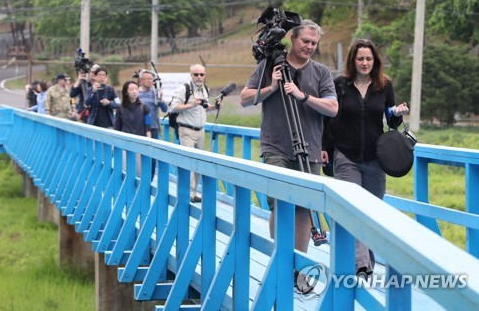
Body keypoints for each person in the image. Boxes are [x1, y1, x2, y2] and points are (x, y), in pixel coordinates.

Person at [240, 19, 338, 254]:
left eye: (314, 43)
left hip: (310, 148)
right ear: (292, 39)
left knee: (305, 208)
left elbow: (333, 108)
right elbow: (244, 98)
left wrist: (302, 96)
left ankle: (299, 265)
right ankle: (280, 258)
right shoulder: (268, 65)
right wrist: (271, 88)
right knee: (280, 204)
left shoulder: (321, 72)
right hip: (276, 147)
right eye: (305, 41)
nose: (310, 46)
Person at [322, 39, 409, 278]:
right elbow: (329, 119)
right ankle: (363, 267)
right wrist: (325, 148)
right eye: (360, 58)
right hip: (345, 155)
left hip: (375, 158)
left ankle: (363, 265)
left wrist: (398, 114)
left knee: (370, 214)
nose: (364, 63)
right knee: (354, 210)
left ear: (375, 61)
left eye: (368, 59)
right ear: (353, 60)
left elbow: (390, 120)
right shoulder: (340, 84)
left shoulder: (384, 85)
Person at [170, 64, 219, 203]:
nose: (199, 77)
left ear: (205, 75)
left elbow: (203, 108)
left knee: (198, 162)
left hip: (201, 131)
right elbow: (173, 107)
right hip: (186, 130)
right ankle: (187, 193)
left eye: (201, 74)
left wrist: (214, 107)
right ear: (190, 75)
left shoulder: (205, 89)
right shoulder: (184, 89)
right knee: (188, 162)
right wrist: (191, 104)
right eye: (195, 74)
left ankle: (193, 192)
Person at [114, 81, 151, 177]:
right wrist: (114, 144)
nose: (135, 92)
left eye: (136, 89)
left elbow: (148, 126)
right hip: (124, 143)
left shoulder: (144, 107)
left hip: (140, 142)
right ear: (126, 92)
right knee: (125, 171)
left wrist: (149, 141)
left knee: (139, 172)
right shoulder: (120, 108)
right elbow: (117, 127)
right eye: (132, 89)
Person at [138, 70, 168, 179]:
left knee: (152, 154)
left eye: (152, 79)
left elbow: (165, 109)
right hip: (138, 128)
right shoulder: (136, 93)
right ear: (141, 81)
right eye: (148, 79)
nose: (151, 81)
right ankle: (139, 177)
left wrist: (160, 99)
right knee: (139, 154)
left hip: (153, 127)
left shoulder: (155, 93)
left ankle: (149, 178)